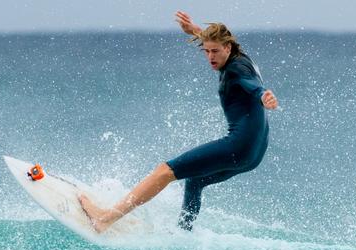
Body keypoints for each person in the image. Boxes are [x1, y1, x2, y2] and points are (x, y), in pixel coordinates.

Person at [79, 10, 279, 233]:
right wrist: (194, 30)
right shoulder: (240, 55)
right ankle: (184, 233)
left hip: (239, 147)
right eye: (206, 51)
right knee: (194, 181)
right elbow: (218, 45)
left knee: (165, 171)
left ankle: (104, 219)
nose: (210, 57)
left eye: (215, 51)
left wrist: (263, 95)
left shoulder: (236, 69)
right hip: (254, 155)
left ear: (228, 48)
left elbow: (252, 85)